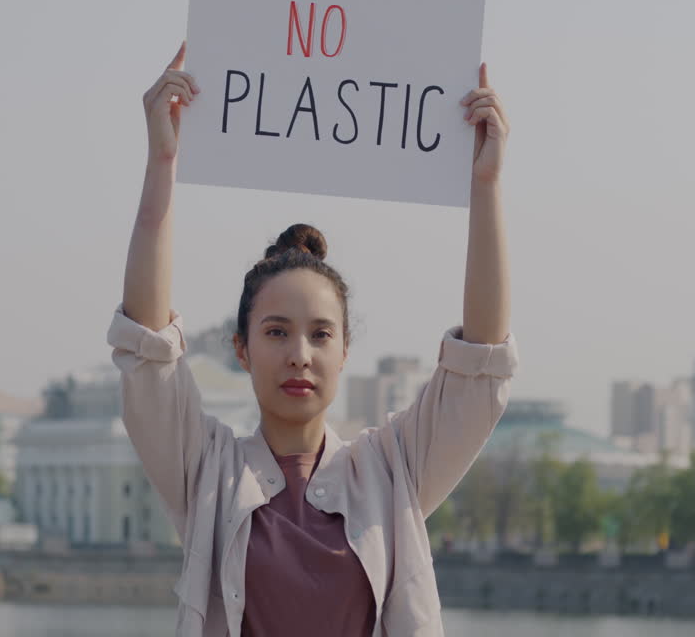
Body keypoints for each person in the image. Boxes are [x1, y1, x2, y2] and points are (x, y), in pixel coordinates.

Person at [109, 41, 518, 636]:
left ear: (344, 351)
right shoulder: (208, 474)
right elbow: (146, 348)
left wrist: (486, 185)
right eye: (276, 332)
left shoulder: (392, 470)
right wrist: (162, 163)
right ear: (241, 348)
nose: (299, 353)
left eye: (320, 334)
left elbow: (481, 363)